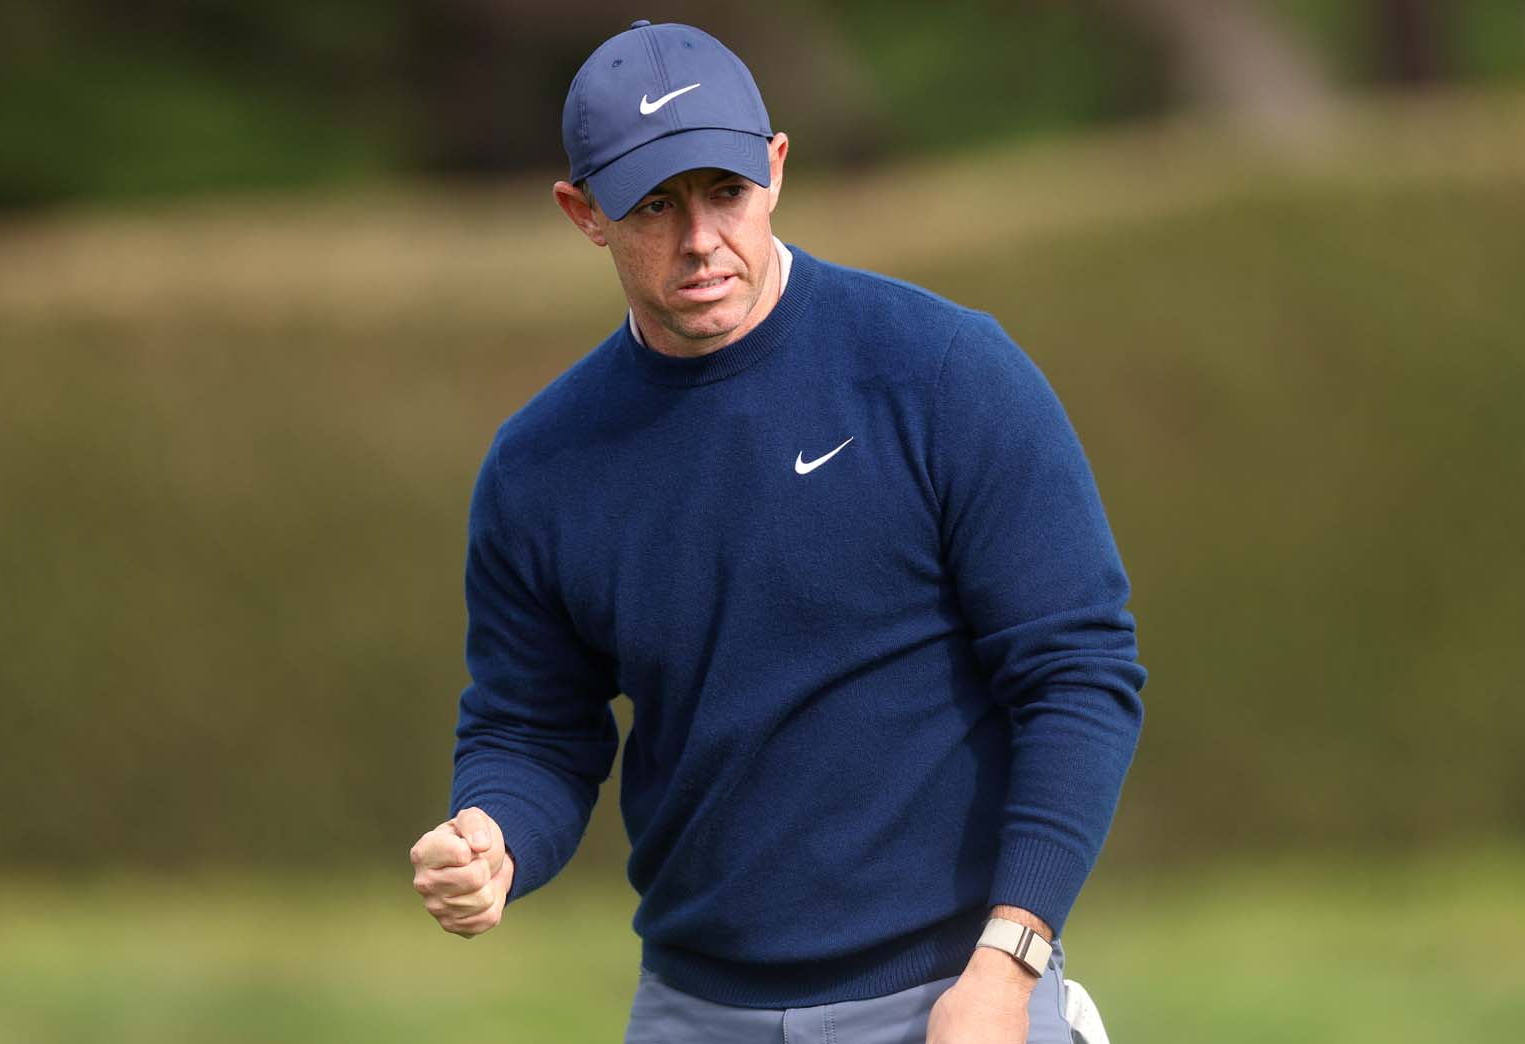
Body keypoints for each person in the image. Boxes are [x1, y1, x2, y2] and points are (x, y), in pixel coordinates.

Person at [408, 19, 1145, 1044]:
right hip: (692, 1009)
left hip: (954, 997)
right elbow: (533, 727)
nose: (700, 237)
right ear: (583, 212)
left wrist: (1008, 966)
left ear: (776, 168)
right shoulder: (542, 464)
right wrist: (491, 833)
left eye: (724, 191)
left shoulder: (941, 371)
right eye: (654, 205)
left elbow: (1078, 674)